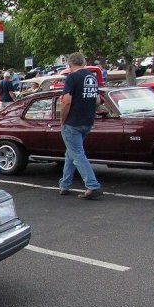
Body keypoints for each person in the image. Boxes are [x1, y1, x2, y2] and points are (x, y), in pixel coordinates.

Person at [58, 51, 102, 200]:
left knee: (77, 154)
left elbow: (67, 101)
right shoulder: (92, 77)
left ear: (70, 64)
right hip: (87, 121)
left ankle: (92, 185)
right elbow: (97, 101)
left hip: (73, 122)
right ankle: (65, 184)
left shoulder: (72, 77)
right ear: (83, 62)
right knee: (71, 153)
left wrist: (62, 120)